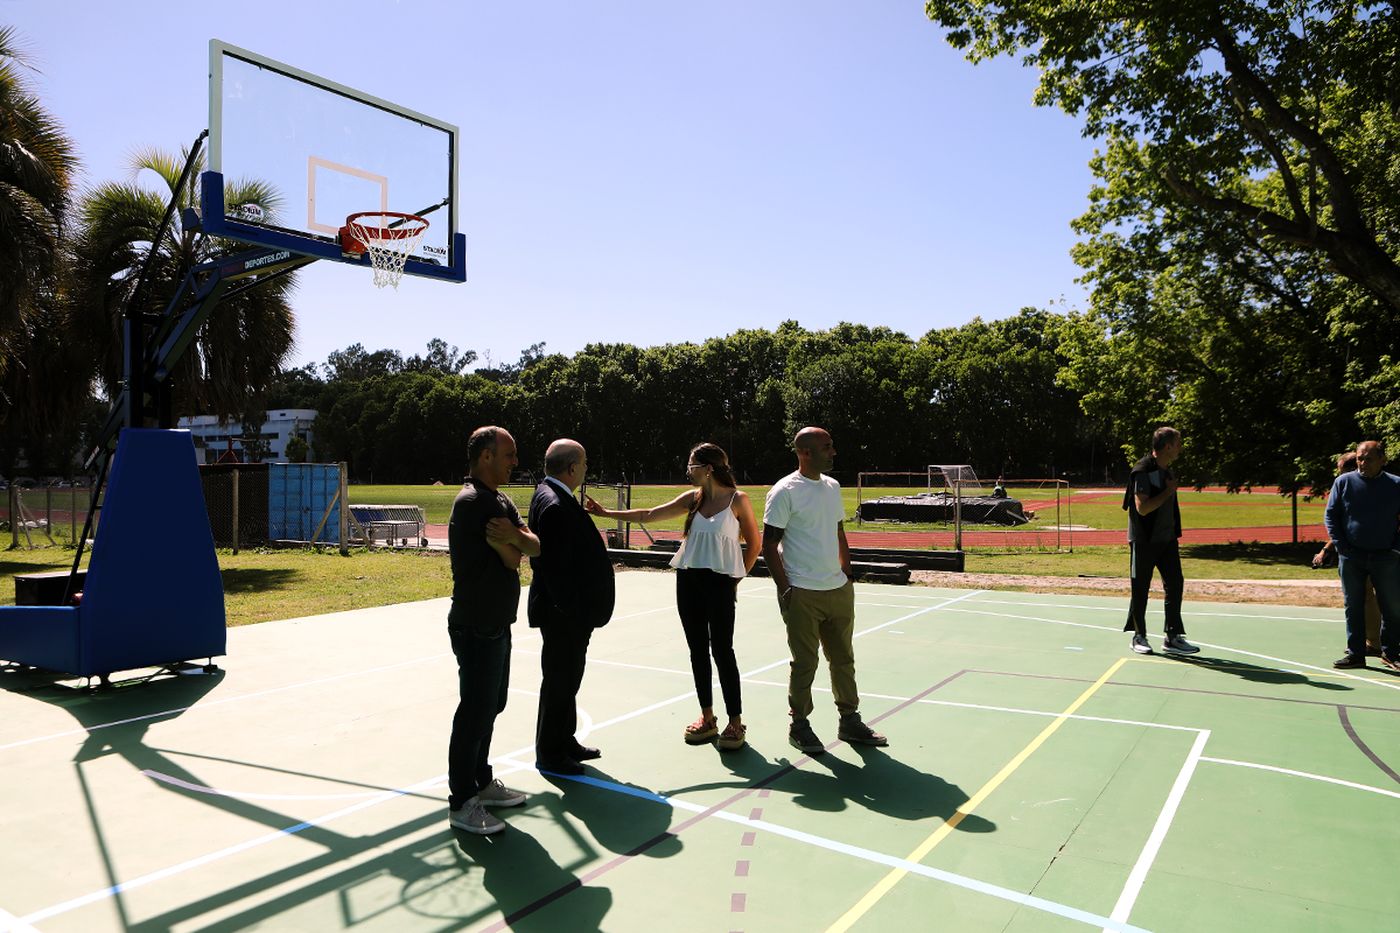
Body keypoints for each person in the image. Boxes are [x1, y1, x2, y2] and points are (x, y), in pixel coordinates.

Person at [586, 442, 761, 749]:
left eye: (692, 466)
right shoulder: (693, 498)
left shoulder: (738, 500)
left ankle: (735, 722)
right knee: (697, 650)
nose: (687, 471)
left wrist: (736, 579)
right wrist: (605, 512)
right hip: (688, 580)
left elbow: (755, 544)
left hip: (720, 583)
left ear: (708, 469)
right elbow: (649, 514)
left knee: (723, 651)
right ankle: (707, 717)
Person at [763, 426, 888, 754]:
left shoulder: (832, 487)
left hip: (837, 589)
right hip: (802, 592)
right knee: (805, 663)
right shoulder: (784, 491)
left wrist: (847, 574)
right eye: (826, 447)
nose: (833, 452)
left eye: (832, 446)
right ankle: (799, 725)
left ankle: (849, 720)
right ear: (805, 453)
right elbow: (769, 545)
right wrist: (786, 590)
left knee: (843, 659)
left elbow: (838, 531)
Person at [447, 426, 541, 835]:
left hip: (497, 622)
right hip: (476, 623)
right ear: (486, 456)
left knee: (492, 705)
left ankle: (481, 782)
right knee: (474, 711)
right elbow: (514, 559)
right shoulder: (474, 502)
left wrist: (516, 540)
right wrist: (516, 546)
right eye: (509, 454)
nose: (515, 462)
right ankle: (461, 800)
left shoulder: (499, 499)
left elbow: (534, 546)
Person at [529, 438, 617, 774]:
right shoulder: (554, 503)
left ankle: (564, 741)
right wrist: (575, 612)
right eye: (584, 462)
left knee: (566, 680)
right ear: (571, 467)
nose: (586, 468)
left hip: (564, 613)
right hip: (563, 615)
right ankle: (551, 753)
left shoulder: (551, 494)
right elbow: (556, 570)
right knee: (560, 680)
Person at [1122, 426, 1200, 655]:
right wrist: (1168, 491)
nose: (1180, 448)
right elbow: (1142, 508)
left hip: (1167, 539)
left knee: (1175, 583)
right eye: (1178, 444)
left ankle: (1173, 637)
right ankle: (1139, 636)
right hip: (1144, 540)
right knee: (1140, 587)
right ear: (1167, 446)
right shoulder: (1142, 470)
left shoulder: (1167, 471)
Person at [1323, 440, 1400, 670]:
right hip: (1351, 557)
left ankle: (1391, 653)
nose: (1362, 463)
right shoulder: (1343, 482)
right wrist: (1341, 546)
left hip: (1386, 557)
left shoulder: (1395, 484)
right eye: (1359, 458)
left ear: (1382, 460)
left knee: (1392, 606)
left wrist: (1395, 548)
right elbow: (1331, 516)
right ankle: (1356, 654)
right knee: (1353, 606)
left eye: (1368, 459)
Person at [1311, 451, 1382, 655]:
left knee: (1364, 598)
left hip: (1363, 552)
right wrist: (1328, 549)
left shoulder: (1353, 489)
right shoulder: (1363, 486)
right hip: (1368, 549)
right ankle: (1375, 641)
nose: (1339, 475)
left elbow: (1347, 525)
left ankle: (1373, 643)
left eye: (1341, 470)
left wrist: (1329, 549)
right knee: (1374, 597)